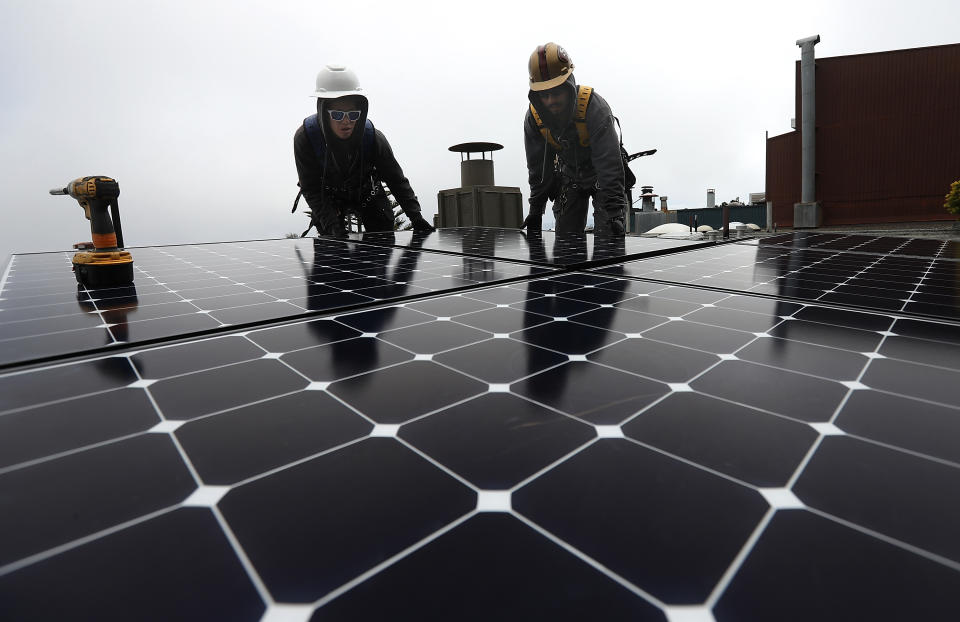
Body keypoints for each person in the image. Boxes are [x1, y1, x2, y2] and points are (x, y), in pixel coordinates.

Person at [294, 64, 434, 237]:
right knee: (333, 248)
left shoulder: (373, 138)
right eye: (337, 114)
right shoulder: (305, 138)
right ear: (323, 111)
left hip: (368, 193)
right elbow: (311, 188)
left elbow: (396, 180)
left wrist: (415, 216)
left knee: (383, 243)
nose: (346, 121)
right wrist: (332, 226)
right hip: (328, 199)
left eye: (353, 114)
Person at [522, 43, 628, 235]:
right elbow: (538, 170)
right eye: (544, 94)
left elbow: (610, 165)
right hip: (569, 176)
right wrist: (536, 210)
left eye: (557, 92)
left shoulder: (594, 108)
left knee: (609, 239)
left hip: (603, 178)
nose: (551, 100)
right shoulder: (534, 119)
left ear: (569, 85)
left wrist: (614, 213)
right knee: (565, 242)